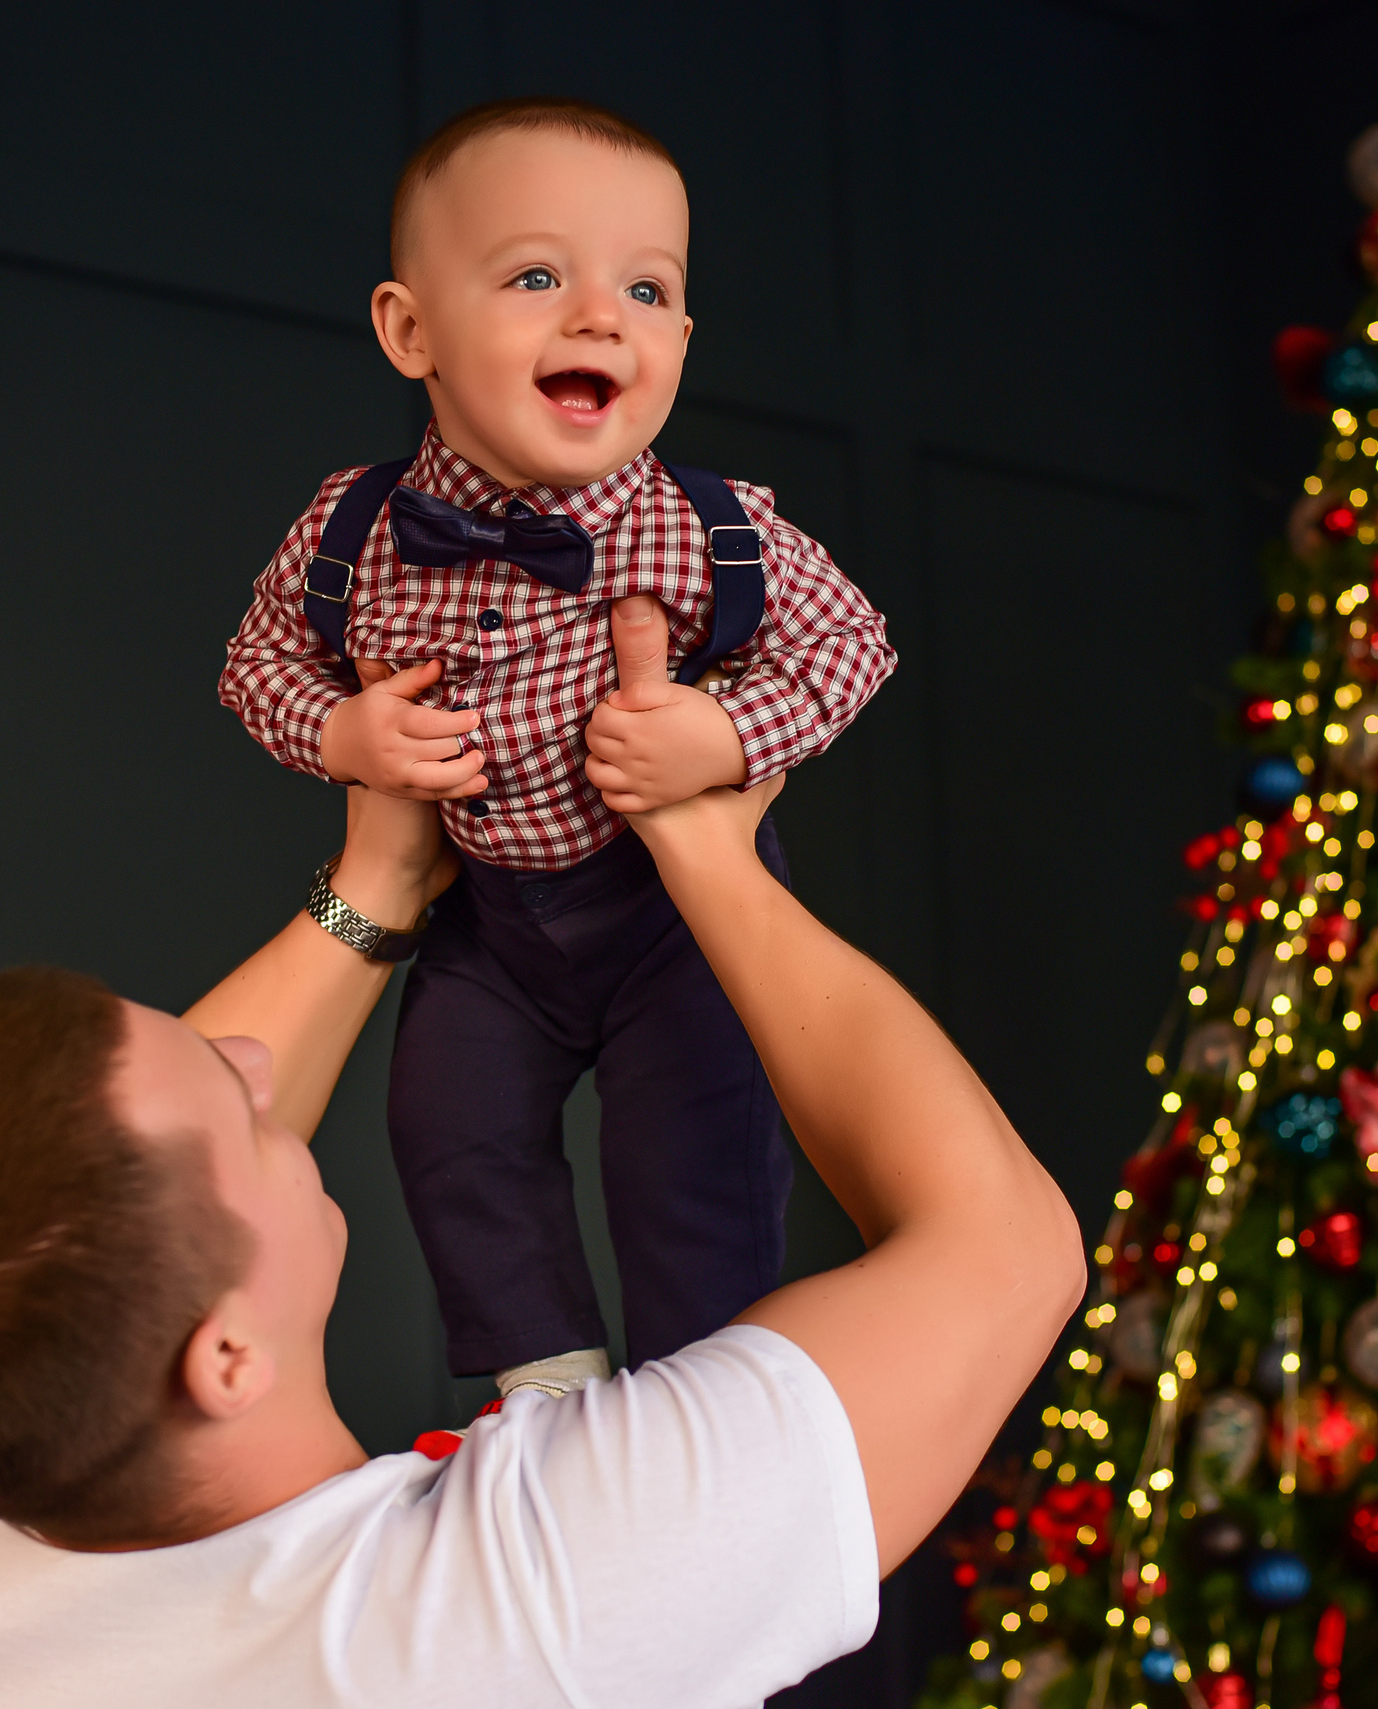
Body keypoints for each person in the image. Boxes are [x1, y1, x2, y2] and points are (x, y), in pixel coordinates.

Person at [0, 601, 1083, 1708]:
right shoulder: (522, 1604)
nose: (251, 1063)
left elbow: (99, 1212)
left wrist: (378, 882)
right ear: (222, 1356)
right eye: (239, 1114)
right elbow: (1008, 1250)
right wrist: (709, 852)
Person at [217, 96, 896, 1399]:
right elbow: (256, 668)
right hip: (491, 924)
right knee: (451, 1135)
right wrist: (345, 730)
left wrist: (720, 732)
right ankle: (547, 1396)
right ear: (409, 328)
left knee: (689, 1165)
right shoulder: (351, 532)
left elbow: (851, 646)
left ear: (683, 339)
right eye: (539, 276)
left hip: (668, 922)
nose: (601, 318)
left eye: (647, 290)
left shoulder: (709, 532)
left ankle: (703, 1413)